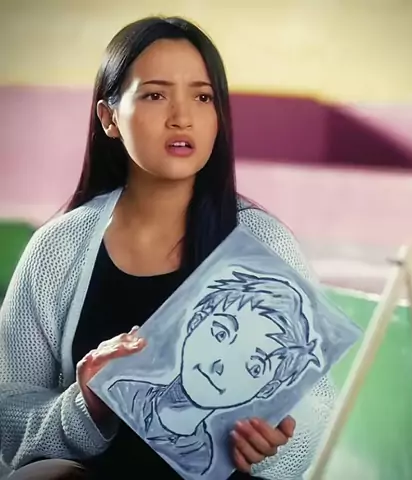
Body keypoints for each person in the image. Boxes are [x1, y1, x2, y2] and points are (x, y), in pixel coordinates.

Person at [0, 16, 335, 480]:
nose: (182, 116)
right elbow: (8, 414)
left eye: (203, 97)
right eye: (155, 95)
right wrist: (87, 405)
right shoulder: (57, 247)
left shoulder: (263, 241)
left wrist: (272, 442)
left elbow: (315, 405)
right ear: (109, 118)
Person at [106, 270, 322, 477]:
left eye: (254, 367)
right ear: (196, 320)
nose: (220, 365)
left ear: (268, 388)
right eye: (221, 334)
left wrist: (271, 445)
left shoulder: (201, 462)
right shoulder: (122, 392)